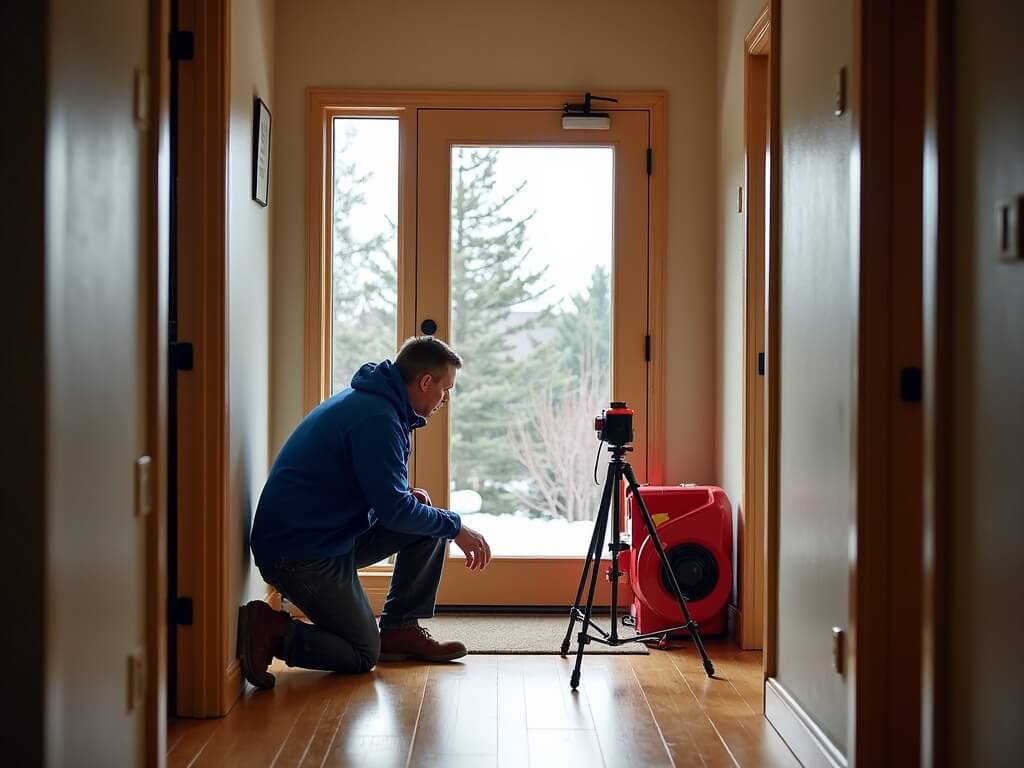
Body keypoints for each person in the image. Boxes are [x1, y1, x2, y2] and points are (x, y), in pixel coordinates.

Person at [237, 335, 492, 689]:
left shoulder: (382, 405)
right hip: (298, 554)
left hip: (328, 536)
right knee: (362, 654)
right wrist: (457, 528)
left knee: (426, 520)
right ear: (424, 382)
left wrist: (407, 501)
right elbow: (394, 512)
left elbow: (373, 494)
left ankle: (400, 630)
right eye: (446, 388)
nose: (446, 398)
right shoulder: (378, 418)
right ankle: (274, 630)